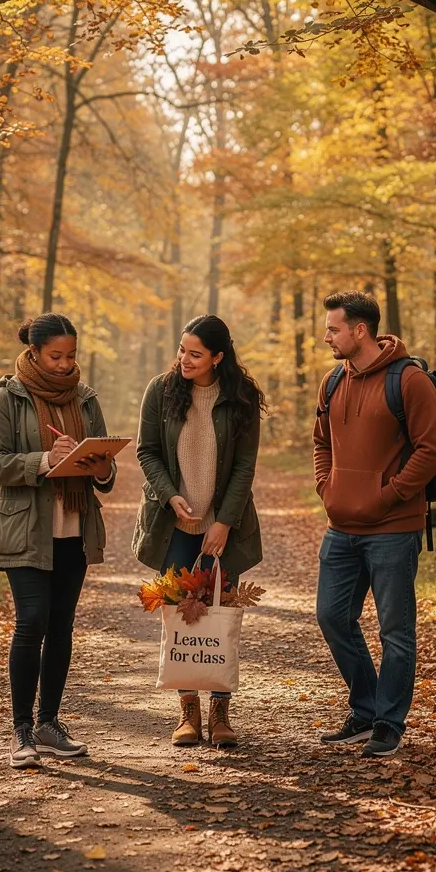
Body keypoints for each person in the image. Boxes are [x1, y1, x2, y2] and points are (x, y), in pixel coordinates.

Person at [313, 291, 436, 758]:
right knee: (332, 617)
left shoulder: (409, 381)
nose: (327, 336)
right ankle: (366, 708)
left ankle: (389, 722)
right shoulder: (332, 381)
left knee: (395, 630)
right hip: (341, 526)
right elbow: (320, 442)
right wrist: (325, 487)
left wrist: (388, 495)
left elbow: (433, 451)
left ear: (360, 330)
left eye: (333, 328)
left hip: (393, 529)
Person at [0, 313, 116, 769]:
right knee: (31, 621)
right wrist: (41, 460)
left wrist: (101, 468)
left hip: (73, 528)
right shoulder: (6, 398)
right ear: (34, 352)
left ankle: (48, 723)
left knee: (61, 627)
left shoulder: (86, 398)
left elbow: (105, 467)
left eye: (71, 355)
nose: (64, 364)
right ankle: (21, 731)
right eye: (56, 356)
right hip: (25, 527)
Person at [134, 315, 265, 748]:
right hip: (175, 525)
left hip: (224, 525)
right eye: (181, 350)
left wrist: (224, 522)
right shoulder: (161, 390)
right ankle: (188, 711)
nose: (184, 360)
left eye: (195, 354)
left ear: (218, 357)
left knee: (222, 612)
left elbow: (245, 466)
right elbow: (147, 451)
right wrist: (170, 496)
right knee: (179, 615)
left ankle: (220, 712)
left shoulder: (240, 397)